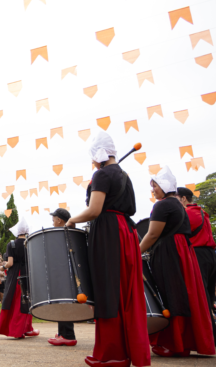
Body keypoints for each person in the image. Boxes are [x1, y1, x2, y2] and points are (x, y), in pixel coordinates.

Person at [65, 131, 150, 367]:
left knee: (108, 291)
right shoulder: (125, 176)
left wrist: (72, 220)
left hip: (108, 233)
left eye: (93, 158)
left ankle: (111, 353)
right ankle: (131, 350)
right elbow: (131, 209)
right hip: (126, 232)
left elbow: (94, 210)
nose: (92, 162)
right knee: (126, 292)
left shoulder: (101, 175)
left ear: (99, 156)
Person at [139, 166, 214, 358]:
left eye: (154, 186)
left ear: (163, 186)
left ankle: (172, 343)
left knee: (168, 294)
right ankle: (181, 342)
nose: (153, 190)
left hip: (169, 251)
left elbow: (153, 233)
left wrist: (135, 252)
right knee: (181, 294)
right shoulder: (178, 205)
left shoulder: (163, 205)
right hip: (180, 251)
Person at [176, 186, 216, 346]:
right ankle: (212, 338)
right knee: (206, 298)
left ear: (182, 199)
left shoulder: (188, 213)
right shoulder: (202, 212)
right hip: (210, 256)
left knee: (199, 297)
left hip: (199, 255)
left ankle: (204, 339)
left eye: (175, 198)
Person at [0, 215, 37, 340]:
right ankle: (27, 328)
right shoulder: (30, 242)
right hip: (27, 275)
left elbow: (10, 263)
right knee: (26, 300)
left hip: (15, 276)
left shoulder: (12, 244)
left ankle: (16, 330)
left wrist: (2, 268)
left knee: (14, 301)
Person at [45, 208, 78, 347]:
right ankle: (62, 333)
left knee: (64, 302)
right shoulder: (68, 233)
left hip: (66, 273)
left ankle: (68, 335)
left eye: (54, 218)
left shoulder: (64, 233)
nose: (52, 221)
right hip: (64, 272)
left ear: (59, 219)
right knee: (62, 302)